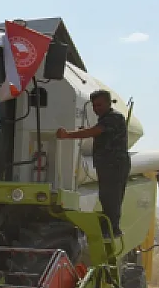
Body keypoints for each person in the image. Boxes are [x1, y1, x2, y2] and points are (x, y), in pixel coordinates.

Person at [56, 89, 131, 239]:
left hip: (114, 164)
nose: (97, 109)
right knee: (106, 196)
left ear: (109, 103)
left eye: (100, 105)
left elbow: (95, 132)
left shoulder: (114, 117)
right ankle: (109, 227)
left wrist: (68, 135)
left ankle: (112, 229)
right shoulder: (105, 119)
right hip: (108, 164)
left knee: (111, 197)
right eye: (94, 106)